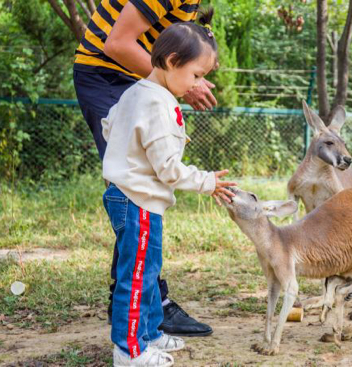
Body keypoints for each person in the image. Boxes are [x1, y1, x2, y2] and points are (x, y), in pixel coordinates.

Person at [73, 0, 218, 337]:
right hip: (108, 73)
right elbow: (118, 43)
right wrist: (180, 83)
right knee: (135, 188)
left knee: (143, 193)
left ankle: (146, 308)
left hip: (131, 76)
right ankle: (140, 318)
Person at [101, 9, 236, 366]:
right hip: (139, 200)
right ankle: (129, 350)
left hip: (126, 195)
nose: (197, 84)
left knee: (147, 271)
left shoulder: (137, 92)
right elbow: (169, 170)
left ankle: (149, 334)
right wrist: (207, 182)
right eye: (196, 74)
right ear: (173, 61)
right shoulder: (159, 103)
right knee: (137, 276)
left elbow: (109, 125)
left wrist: (128, 152)